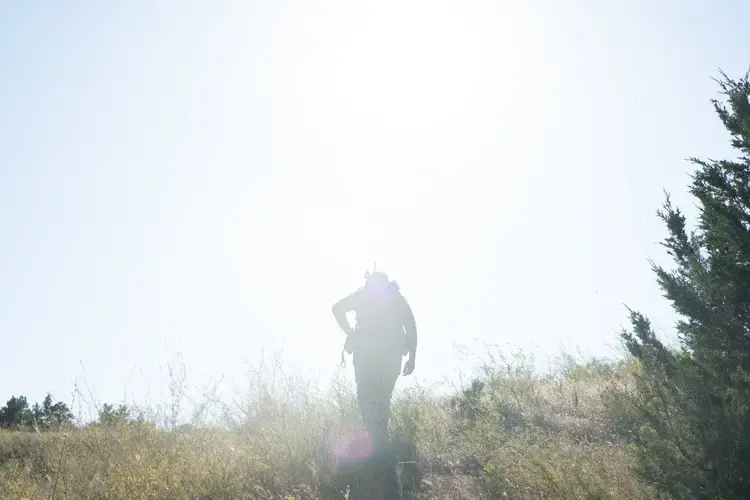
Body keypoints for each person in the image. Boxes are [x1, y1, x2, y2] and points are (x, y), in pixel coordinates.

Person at [331, 270, 418, 497]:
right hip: (390, 360)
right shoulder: (395, 298)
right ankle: (380, 444)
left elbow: (337, 308)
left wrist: (351, 332)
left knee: (369, 403)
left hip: (368, 360)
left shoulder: (363, 297)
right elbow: (411, 327)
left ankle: (377, 449)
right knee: (380, 403)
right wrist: (413, 356)